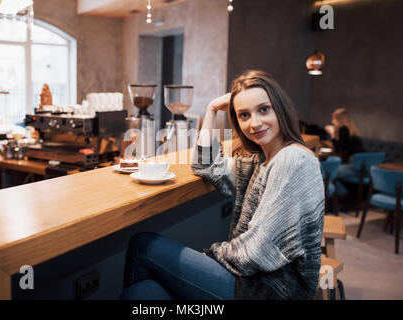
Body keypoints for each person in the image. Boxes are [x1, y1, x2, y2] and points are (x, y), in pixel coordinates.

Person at [120, 70, 325, 300]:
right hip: (249, 279)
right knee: (143, 293)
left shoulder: (293, 160)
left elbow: (259, 251)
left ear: (280, 108)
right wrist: (211, 110)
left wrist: (212, 255)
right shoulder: (261, 162)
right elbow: (204, 165)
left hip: (268, 291)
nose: (254, 123)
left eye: (264, 109)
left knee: (143, 245)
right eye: (244, 115)